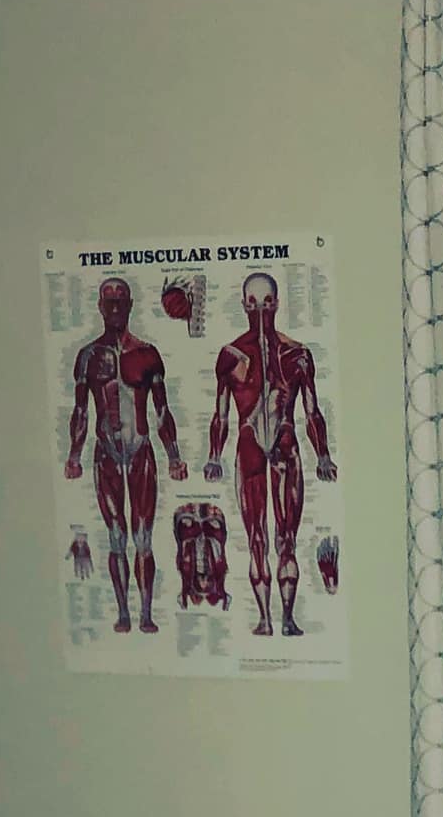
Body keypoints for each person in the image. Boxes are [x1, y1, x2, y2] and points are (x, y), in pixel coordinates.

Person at [203, 272, 337, 636]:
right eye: (252, 303)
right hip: (249, 445)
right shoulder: (230, 356)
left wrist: (323, 455)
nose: (260, 310)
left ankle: (288, 618)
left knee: (286, 539)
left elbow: (311, 410)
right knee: (257, 540)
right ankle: (264, 619)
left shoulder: (297, 355)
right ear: (243, 305)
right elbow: (221, 413)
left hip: (284, 444)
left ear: (276, 304)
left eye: (266, 302)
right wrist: (214, 456)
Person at [64, 276, 187, 633]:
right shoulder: (88, 357)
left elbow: (161, 410)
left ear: (131, 305)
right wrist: (74, 455)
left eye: (121, 299)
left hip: (140, 452)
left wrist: (174, 456)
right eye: (109, 300)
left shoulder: (147, 354)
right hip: (105, 453)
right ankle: (123, 613)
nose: (115, 306)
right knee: (116, 535)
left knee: (143, 537)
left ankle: (146, 613)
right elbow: (81, 411)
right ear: (100, 307)